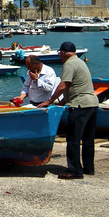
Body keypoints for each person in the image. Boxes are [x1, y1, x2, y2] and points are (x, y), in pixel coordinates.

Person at [44, 41, 99, 179]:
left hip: (80, 105)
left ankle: (75, 171)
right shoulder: (80, 62)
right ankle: (88, 168)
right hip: (92, 104)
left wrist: (50, 101)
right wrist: (61, 103)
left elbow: (63, 85)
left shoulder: (68, 63)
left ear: (62, 53)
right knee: (88, 139)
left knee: (73, 139)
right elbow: (73, 88)